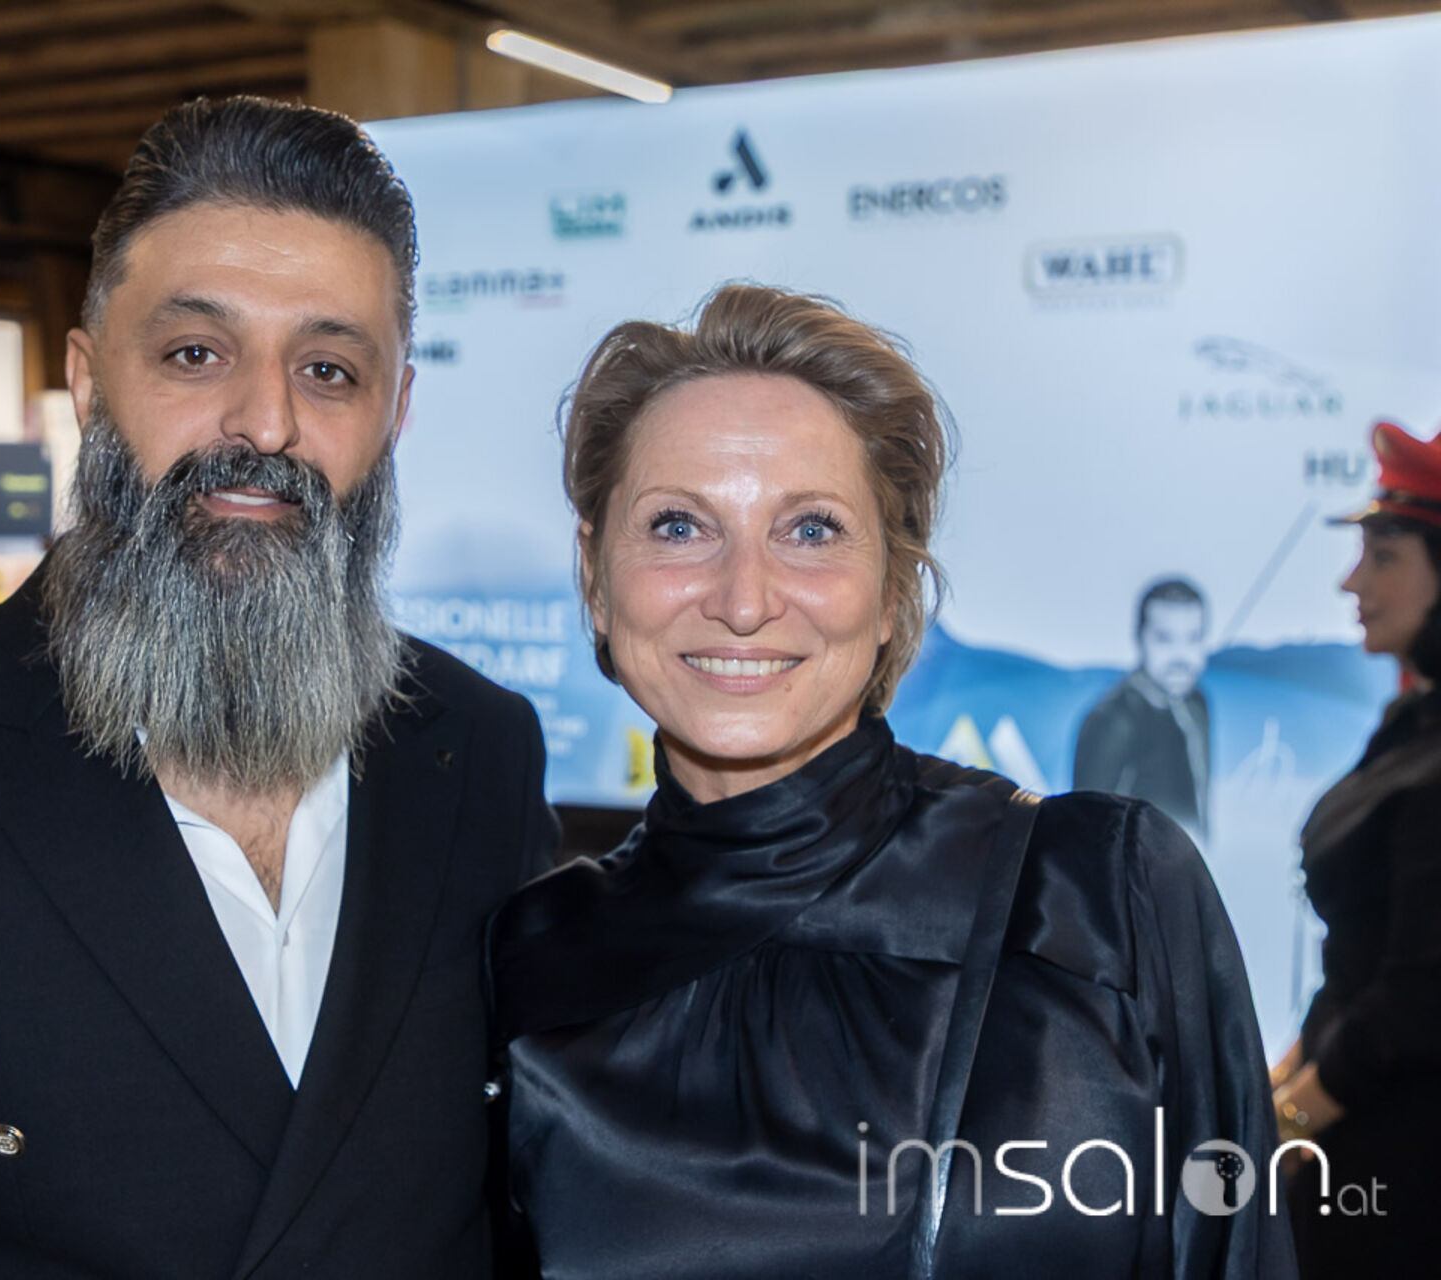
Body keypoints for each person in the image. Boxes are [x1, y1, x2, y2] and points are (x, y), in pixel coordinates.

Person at [0, 97, 557, 1277]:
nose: (265, 420)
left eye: (329, 369)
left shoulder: (480, 751)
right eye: (195, 353)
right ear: (86, 379)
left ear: (396, 411)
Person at [488, 286, 1292, 1278]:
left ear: (892, 591)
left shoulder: (1097, 892)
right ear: (596, 576)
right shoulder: (529, 960)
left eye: (811, 530)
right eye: (679, 526)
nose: (744, 599)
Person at [1272, 419, 1441, 1275]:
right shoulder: (1411, 723)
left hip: (1400, 1168)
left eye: (1384, 556)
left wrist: (1286, 1124)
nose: (1352, 580)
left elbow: (1413, 1001)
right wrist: (1275, 1088)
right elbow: (1361, 965)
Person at [1073, 577, 1212, 838]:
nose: (1181, 656)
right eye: (1164, 639)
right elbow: (1085, 831)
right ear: (1139, 638)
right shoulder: (1111, 721)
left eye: (1193, 638)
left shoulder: (1196, 705)